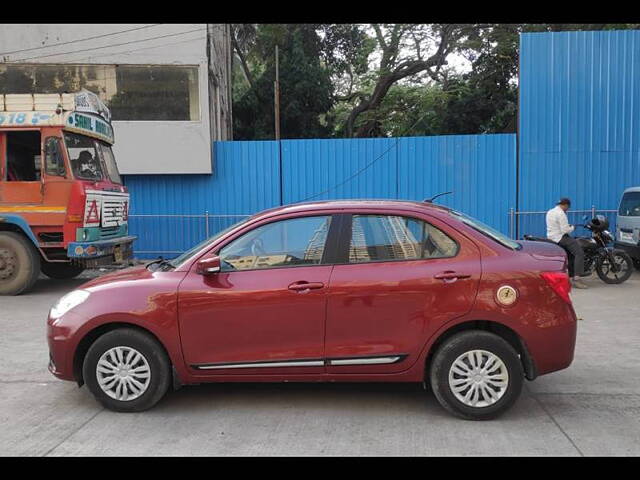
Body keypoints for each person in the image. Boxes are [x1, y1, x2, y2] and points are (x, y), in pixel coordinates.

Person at [546, 197, 588, 289]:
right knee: (579, 253)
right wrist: (573, 227)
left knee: (571, 254)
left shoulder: (550, 212)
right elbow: (565, 230)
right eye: (568, 207)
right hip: (560, 237)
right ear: (565, 205)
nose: (567, 209)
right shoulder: (561, 214)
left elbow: (556, 225)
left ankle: (571, 276)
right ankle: (577, 279)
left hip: (551, 237)